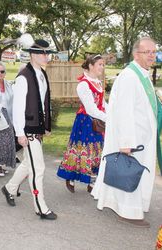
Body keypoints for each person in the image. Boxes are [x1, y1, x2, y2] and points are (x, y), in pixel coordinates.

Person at [91, 37, 158, 227]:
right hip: (134, 138)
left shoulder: (141, 74)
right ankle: (128, 211)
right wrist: (127, 141)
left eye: (154, 52)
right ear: (137, 54)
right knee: (130, 172)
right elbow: (125, 111)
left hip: (143, 135)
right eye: (148, 52)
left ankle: (130, 206)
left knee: (135, 172)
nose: (152, 56)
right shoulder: (130, 76)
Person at [1, 39, 57, 220]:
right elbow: (17, 108)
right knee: (37, 168)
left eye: (47, 53)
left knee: (28, 163)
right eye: (42, 53)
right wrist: (20, 134)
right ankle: (40, 207)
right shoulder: (23, 77)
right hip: (27, 129)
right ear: (33, 54)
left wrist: (46, 126)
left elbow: (43, 103)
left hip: (37, 128)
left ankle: (9, 188)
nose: (46, 56)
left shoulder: (42, 74)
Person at [56, 55, 107, 193]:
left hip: (98, 120)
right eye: (100, 64)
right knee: (82, 151)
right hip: (85, 121)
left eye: (103, 64)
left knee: (98, 150)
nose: (102, 67)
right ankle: (71, 177)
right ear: (91, 65)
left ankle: (92, 181)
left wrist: (111, 113)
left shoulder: (98, 82)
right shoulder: (83, 84)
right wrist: (108, 118)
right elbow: (90, 109)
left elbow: (102, 103)